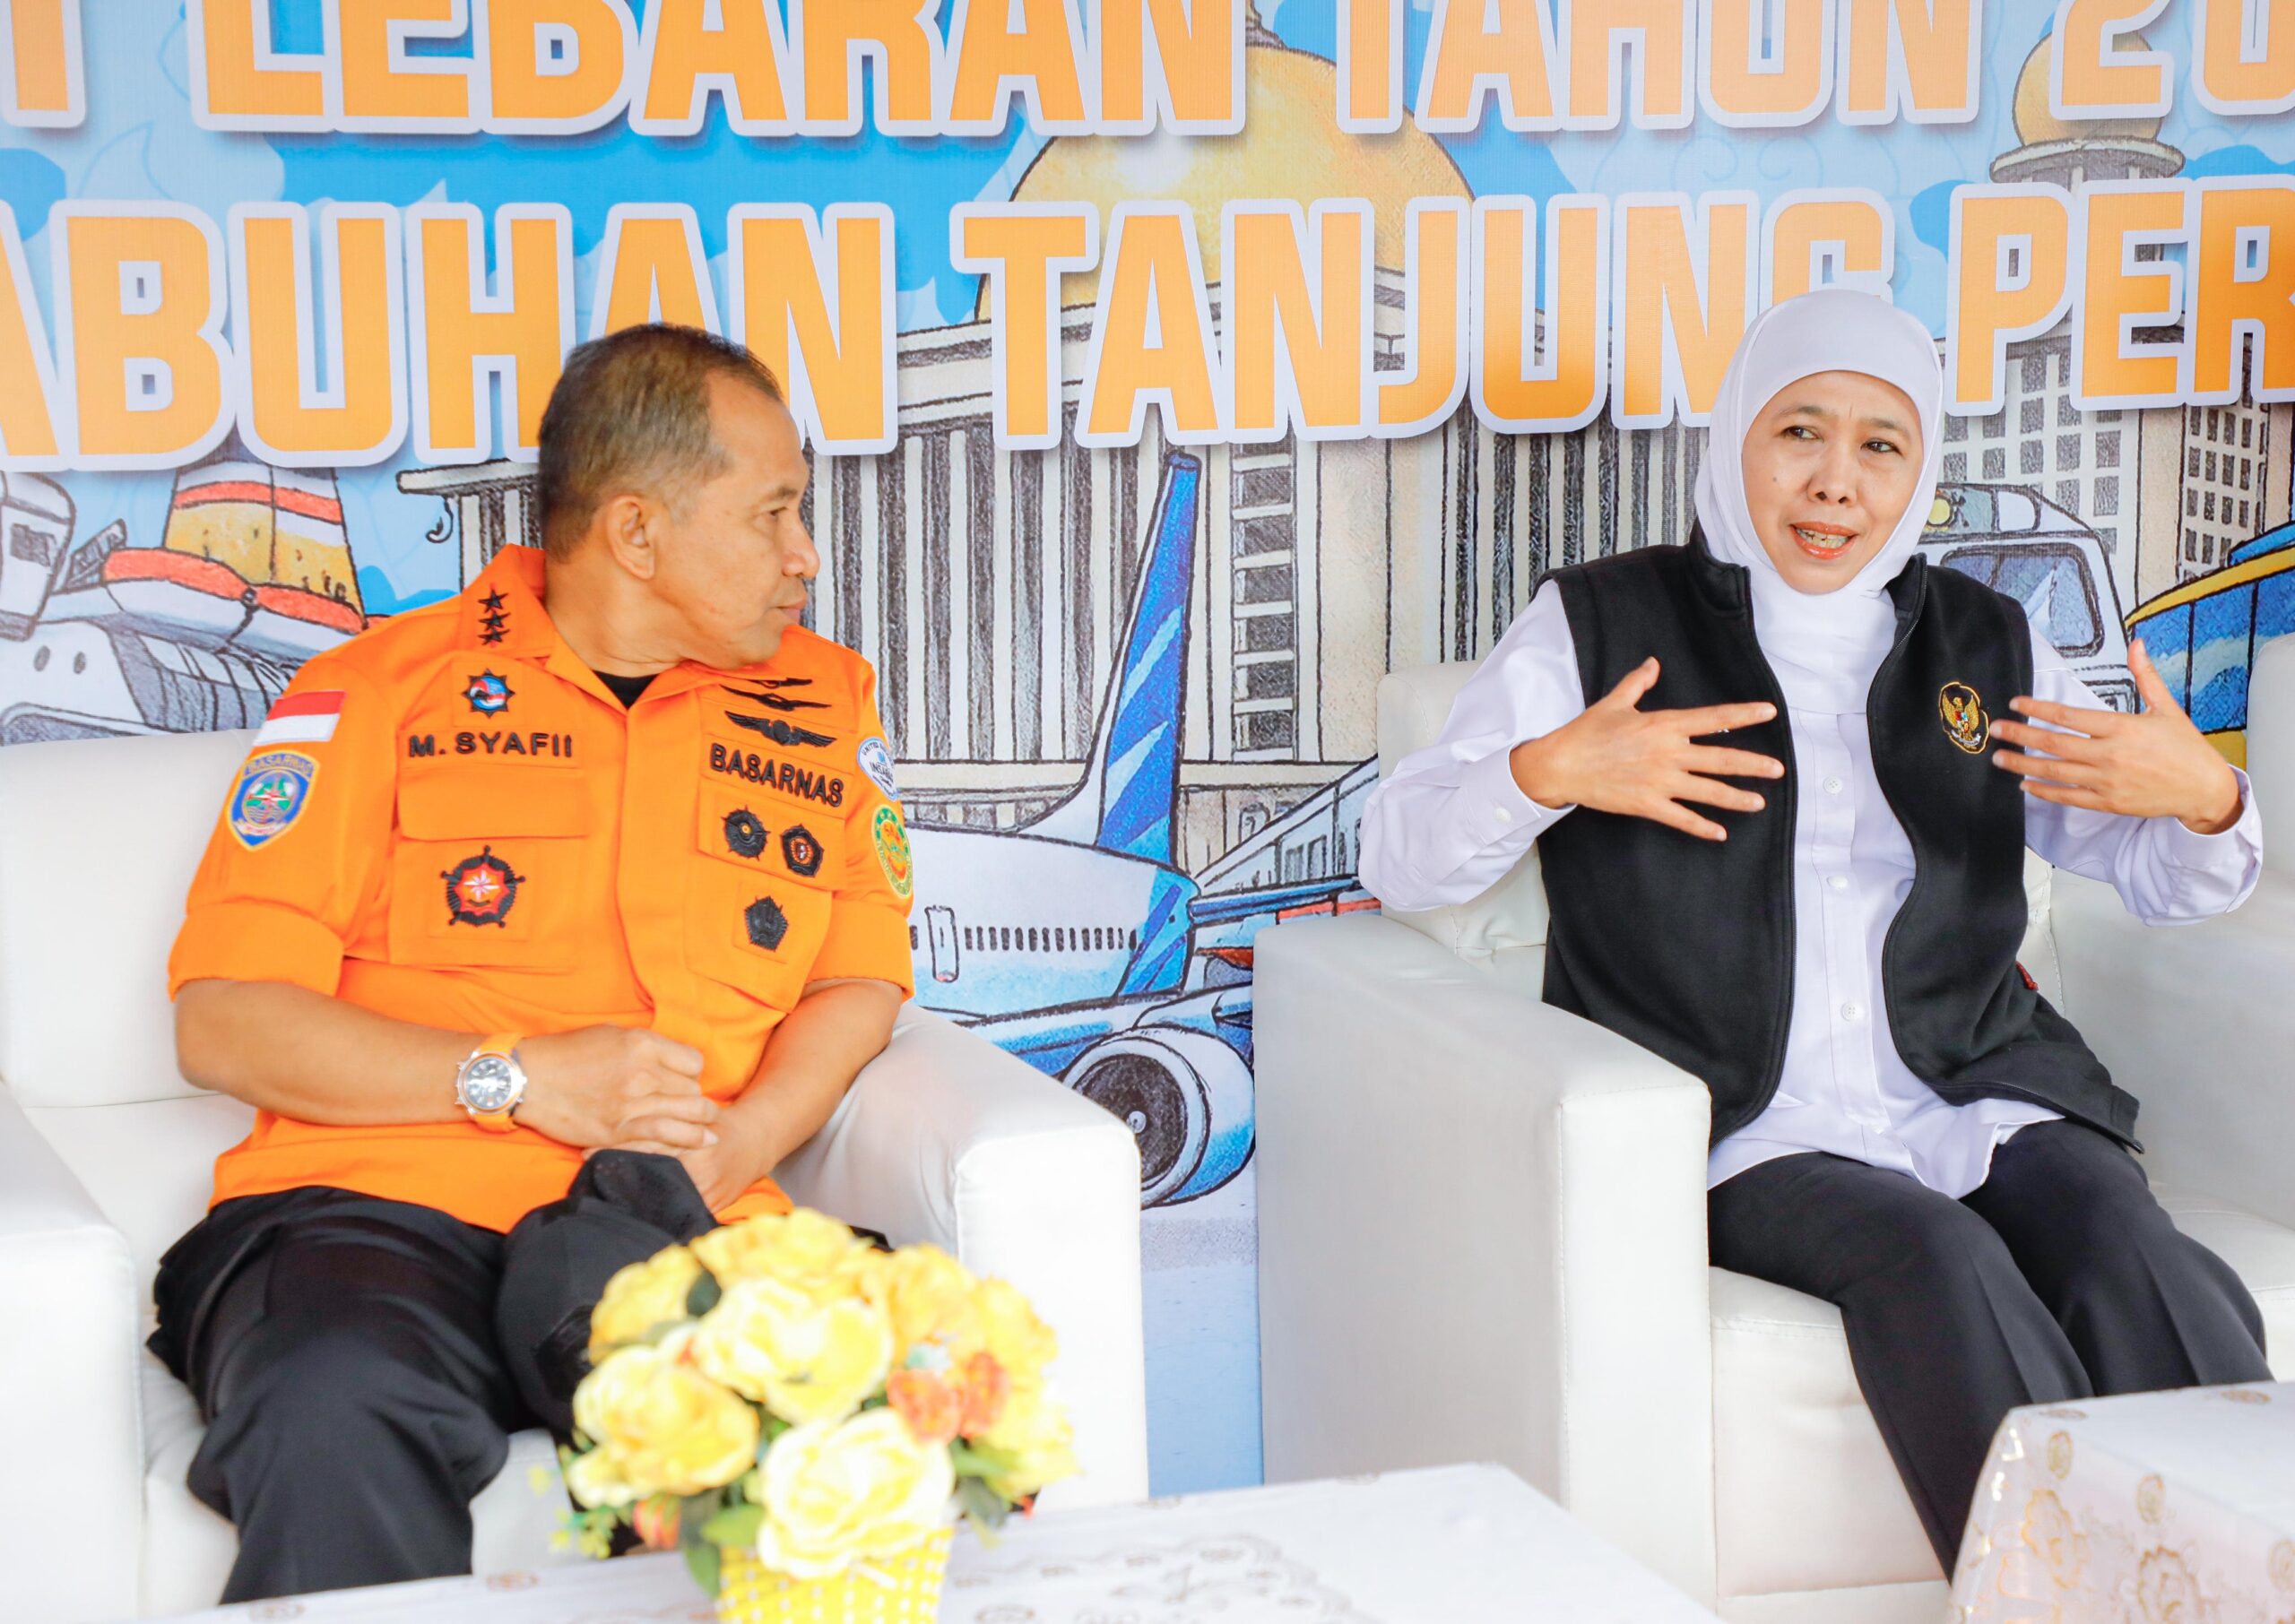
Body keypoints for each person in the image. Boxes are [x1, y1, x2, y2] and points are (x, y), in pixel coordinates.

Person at [1358, 288, 2269, 1571]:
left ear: (1919, 470)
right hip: (1746, 1121)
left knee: (2133, 1252)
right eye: (1800, 431)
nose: (1837, 481)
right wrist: (1546, 770)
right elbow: (1397, 859)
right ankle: (2068, 1601)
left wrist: (2208, 799)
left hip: (1978, 1085)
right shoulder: (1602, 623)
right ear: (1738, 434)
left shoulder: (1987, 640)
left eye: (1880, 445)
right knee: (1937, 1261)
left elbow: (2164, 878)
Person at [150, 324, 917, 1602]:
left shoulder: (826, 703)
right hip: (378, 1212)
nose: (806, 556)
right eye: (774, 512)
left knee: (849, 1431)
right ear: (636, 533)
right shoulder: (379, 690)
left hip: (668, 1215)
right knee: (328, 1401)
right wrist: (517, 1076)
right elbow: (222, 1021)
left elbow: (859, 978)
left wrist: (746, 1141)